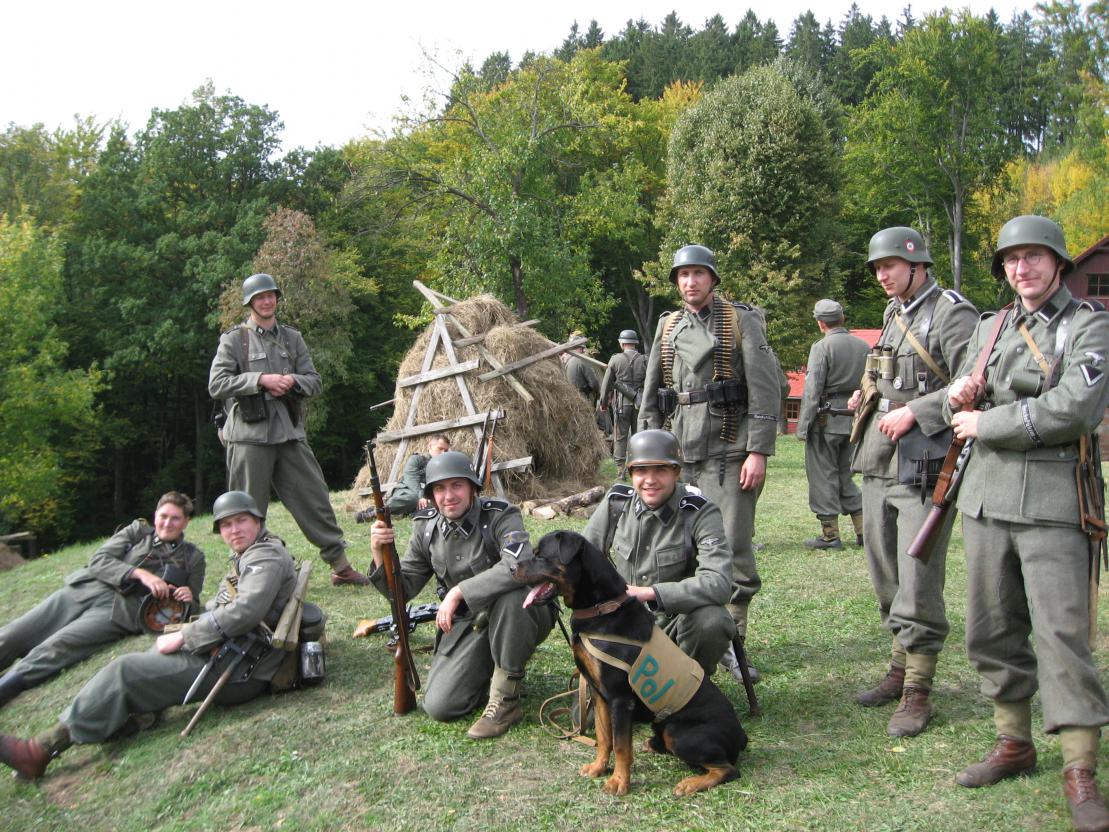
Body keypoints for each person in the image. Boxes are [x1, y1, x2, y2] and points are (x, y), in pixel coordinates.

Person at [944, 216, 1109, 831]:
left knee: (1062, 637)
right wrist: (956, 395)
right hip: (986, 501)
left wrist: (988, 423)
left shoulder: (1088, 325)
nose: (1022, 269)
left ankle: (1079, 768)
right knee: (990, 629)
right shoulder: (990, 327)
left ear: (1058, 263)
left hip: (1054, 504)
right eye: (1012, 260)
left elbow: (1075, 407)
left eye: (1034, 256)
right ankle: (1013, 741)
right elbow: (958, 394)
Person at [0, 491, 298, 781]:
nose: (234, 530)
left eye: (241, 521)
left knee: (124, 671)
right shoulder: (251, 552)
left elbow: (245, 611)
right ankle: (128, 718)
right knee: (144, 662)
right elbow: (100, 560)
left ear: (257, 521)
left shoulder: (262, 556)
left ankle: (39, 751)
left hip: (239, 668)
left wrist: (185, 634)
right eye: (226, 524)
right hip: (232, 653)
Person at [848, 227, 978, 737]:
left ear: (918, 265)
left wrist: (917, 411)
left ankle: (917, 690)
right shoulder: (893, 312)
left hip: (926, 464)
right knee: (885, 573)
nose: (882, 275)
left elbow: (973, 383)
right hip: (879, 459)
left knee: (918, 579)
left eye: (891, 266)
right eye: (877, 268)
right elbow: (881, 371)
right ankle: (899, 668)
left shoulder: (951, 313)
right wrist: (866, 394)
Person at [638, 244, 781, 679]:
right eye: (683, 275)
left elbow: (765, 388)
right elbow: (652, 395)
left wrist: (758, 450)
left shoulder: (740, 320)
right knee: (675, 548)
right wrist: (643, 456)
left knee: (732, 547)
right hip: (678, 455)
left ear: (713, 279)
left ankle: (734, 642)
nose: (690, 281)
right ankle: (685, 636)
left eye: (698, 273)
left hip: (729, 451)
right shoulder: (668, 326)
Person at [369, 451, 555, 739]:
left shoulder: (500, 515)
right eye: (439, 489)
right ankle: (489, 672)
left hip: (519, 612)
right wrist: (378, 553)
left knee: (511, 596)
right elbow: (402, 590)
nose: (448, 496)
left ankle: (505, 702)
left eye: (457, 485)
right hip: (468, 623)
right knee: (441, 706)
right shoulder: (426, 527)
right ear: (431, 495)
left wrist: (459, 591)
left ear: (472, 488)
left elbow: (519, 565)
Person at [209, 272, 367, 586]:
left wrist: (293, 380)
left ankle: (340, 566)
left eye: (270, 295)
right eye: (260, 297)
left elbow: (314, 381)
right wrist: (261, 380)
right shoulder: (235, 340)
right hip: (249, 436)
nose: (266, 301)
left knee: (314, 498)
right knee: (245, 508)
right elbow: (217, 384)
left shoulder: (292, 338)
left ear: (277, 299)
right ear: (250, 303)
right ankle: (245, 573)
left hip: (289, 432)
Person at [0, 492, 205, 708]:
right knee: (14, 634)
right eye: (163, 516)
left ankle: (6, 687)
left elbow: (191, 607)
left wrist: (187, 598)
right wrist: (139, 574)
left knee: (57, 647)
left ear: (186, 522)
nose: (167, 523)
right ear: (155, 515)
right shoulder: (137, 531)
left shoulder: (193, 558)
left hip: (119, 611)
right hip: (85, 589)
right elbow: (99, 560)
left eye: (175, 518)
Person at [580, 430, 735, 674]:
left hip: (674, 627)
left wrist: (650, 593)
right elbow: (581, 561)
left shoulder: (699, 513)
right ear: (631, 473)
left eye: (661, 470)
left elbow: (718, 582)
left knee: (712, 621)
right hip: (620, 625)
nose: (650, 480)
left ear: (676, 472)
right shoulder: (616, 504)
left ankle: (689, 683)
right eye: (641, 471)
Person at [796, 299, 870, 549]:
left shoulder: (822, 347)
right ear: (843, 318)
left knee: (822, 477)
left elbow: (813, 389)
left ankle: (830, 535)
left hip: (825, 421)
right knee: (845, 475)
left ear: (820, 323)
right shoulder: (863, 346)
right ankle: (863, 531)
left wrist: (803, 426)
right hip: (854, 419)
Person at [357, 435, 452, 523]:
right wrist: (421, 496)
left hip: (425, 496)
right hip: (408, 491)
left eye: (446, 450)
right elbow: (411, 480)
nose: (443, 453)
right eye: (440, 449)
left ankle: (408, 513)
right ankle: (375, 513)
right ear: (430, 446)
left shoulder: (443, 467)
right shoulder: (417, 459)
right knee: (412, 499)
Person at [599, 330, 647, 471]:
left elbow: (606, 384)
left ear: (622, 343)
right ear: (635, 343)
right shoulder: (645, 359)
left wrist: (603, 403)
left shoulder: (615, 359)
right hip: (640, 403)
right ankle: (639, 466)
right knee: (639, 435)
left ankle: (620, 471)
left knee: (620, 437)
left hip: (621, 404)